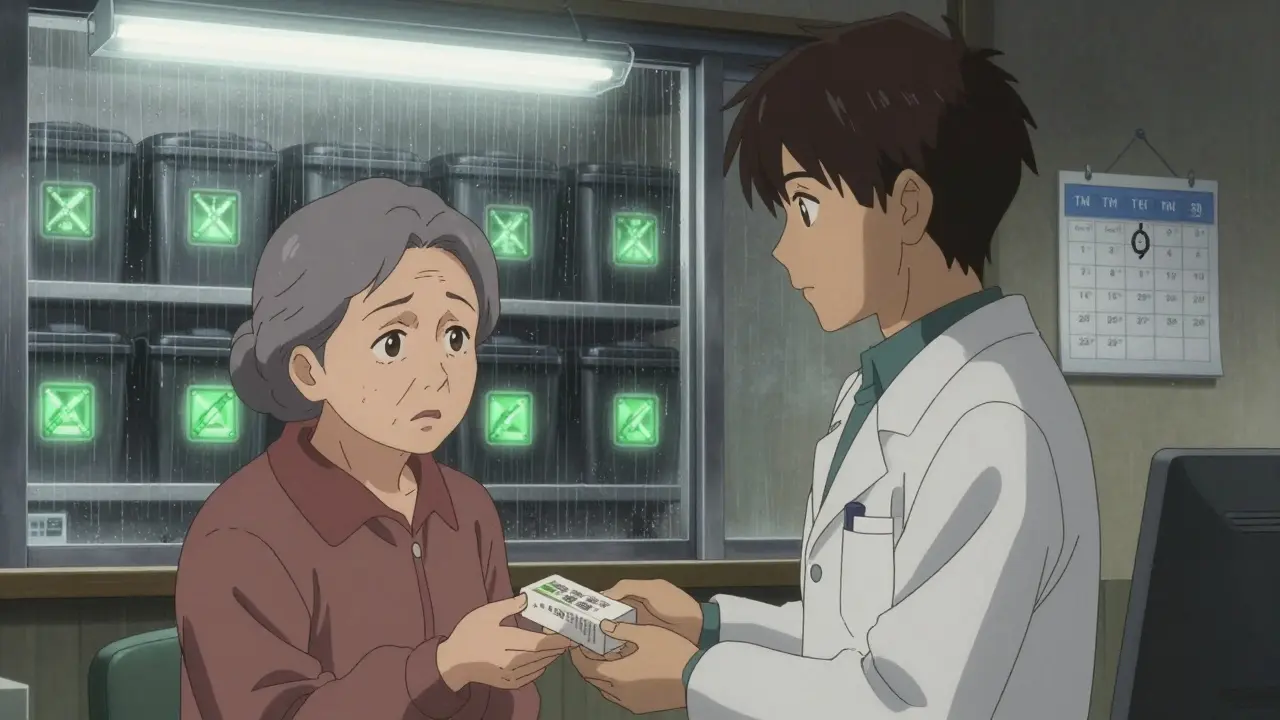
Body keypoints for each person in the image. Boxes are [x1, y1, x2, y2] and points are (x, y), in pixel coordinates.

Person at [570, 13, 1100, 720]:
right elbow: (850, 639)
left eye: (807, 207)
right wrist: (708, 623)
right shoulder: (879, 390)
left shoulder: (995, 421)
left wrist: (694, 676)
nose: (784, 248)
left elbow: (906, 703)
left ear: (908, 206)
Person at [175, 178, 572, 720]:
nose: (436, 374)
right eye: (393, 342)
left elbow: (513, 703)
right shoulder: (241, 531)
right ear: (309, 370)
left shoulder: (469, 509)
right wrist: (445, 666)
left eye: (456, 337)